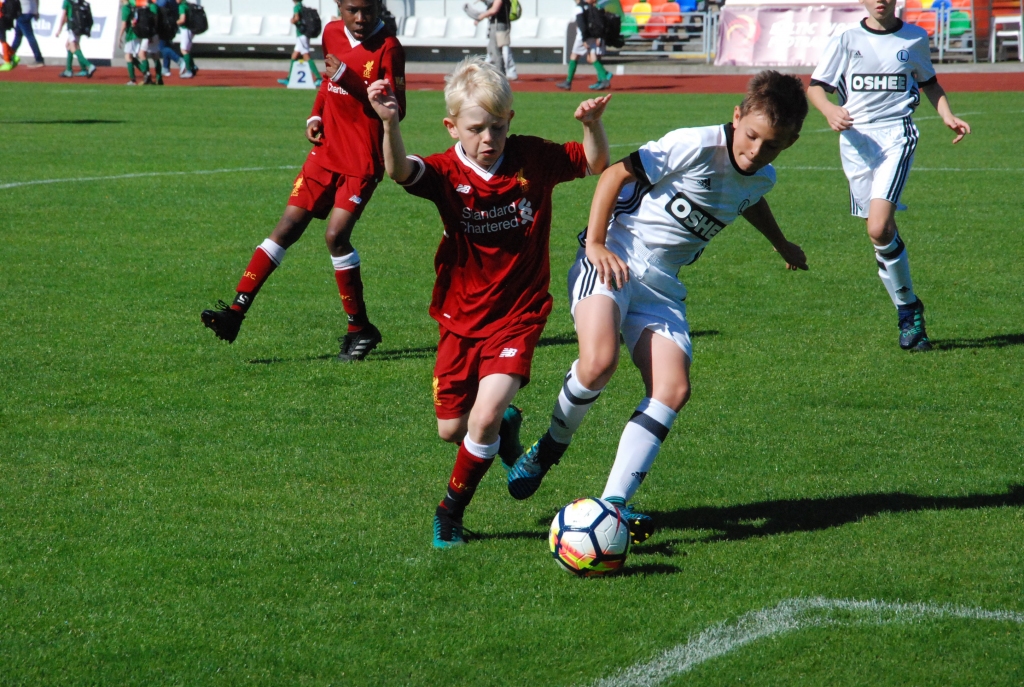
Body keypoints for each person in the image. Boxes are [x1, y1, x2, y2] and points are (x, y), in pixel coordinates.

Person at [507, 71, 809, 544]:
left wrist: (781, 243)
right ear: (736, 117)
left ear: (789, 143)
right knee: (599, 362)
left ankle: (613, 506)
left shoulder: (761, 175)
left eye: (771, 146)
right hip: (614, 259)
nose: (755, 152)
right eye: (751, 136)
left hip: (663, 287)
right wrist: (596, 244)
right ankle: (549, 448)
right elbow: (615, 174)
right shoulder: (695, 144)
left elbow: (748, 196)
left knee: (673, 389)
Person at [367, 56, 611, 548]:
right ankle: (505, 426)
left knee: (482, 419)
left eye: (497, 127)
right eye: (476, 129)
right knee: (451, 428)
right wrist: (389, 122)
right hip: (460, 315)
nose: (488, 139)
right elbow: (398, 170)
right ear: (452, 126)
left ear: (509, 121)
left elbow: (594, 164)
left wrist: (592, 126)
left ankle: (449, 513)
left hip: (519, 313)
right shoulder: (444, 171)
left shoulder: (530, 158)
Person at [202, 0, 405, 362]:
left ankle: (359, 327)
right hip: (326, 153)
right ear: (339, 6)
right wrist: (315, 116)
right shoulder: (330, 32)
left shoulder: (389, 48)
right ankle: (235, 312)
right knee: (286, 226)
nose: (361, 18)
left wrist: (348, 78)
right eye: (353, 9)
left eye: (368, 10)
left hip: (361, 159)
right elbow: (328, 82)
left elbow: (396, 109)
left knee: (335, 236)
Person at [807, 0, 971, 351]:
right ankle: (909, 312)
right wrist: (829, 110)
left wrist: (947, 114)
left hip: (896, 135)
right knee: (881, 234)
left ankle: (908, 312)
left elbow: (929, 83)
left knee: (878, 227)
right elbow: (816, 87)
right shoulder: (846, 38)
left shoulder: (914, 37)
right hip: (856, 141)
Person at [558, 0, 612, 91]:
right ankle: (603, 77)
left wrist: (584, 39)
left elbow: (581, 24)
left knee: (574, 56)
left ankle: (568, 81)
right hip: (592, 35)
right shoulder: (590, 6)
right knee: (592, 57)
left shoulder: (579, 7)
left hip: (583, 36)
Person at [278, 0, 322, 87]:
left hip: (301, 35)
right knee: (294, 56)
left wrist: (292, 20)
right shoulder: (302, 6)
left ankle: (318, 78)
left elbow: (297, 18)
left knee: (306, 56)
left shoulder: (296, 7)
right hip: (303, 35)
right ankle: (288, 78)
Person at [471, 0, 517, 80]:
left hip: (498, 26)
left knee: (496, 51)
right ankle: (495, 72)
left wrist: (480, 17)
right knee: (492, 50)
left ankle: (499, 74)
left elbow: (494, 9)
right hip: (500, 25)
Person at [55, 0, 96, 77]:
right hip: (80, 27)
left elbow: (64, 16)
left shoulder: (67, 1)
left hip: (73, 26)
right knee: (69, 45)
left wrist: (59, 29)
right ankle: (72, 69)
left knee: (73, 47)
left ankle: (89, 65)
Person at [119, 0, 148, 85]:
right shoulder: (132, 6)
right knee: (131, 56)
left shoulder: (125, 8)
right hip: (136, 33)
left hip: (131, 34)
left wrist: (119, 36)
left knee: (128, 56)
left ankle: (133, 79)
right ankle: (145, 72)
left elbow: (124, 24)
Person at [12, 0, 45, 67]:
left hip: (22, 11)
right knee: (18, 35)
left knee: (29, 36)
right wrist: (36, 11)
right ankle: (9, 54)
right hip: (30, 10)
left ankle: (39, 59)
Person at [176, 0, 197, 77]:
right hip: (189, 30)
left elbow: (182, 20)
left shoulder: (182, 6)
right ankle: (193, 66)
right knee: (186, 49)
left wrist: (174, 23)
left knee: (184, 50)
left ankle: (189, 71)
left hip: (186, 29)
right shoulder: (187, 4)